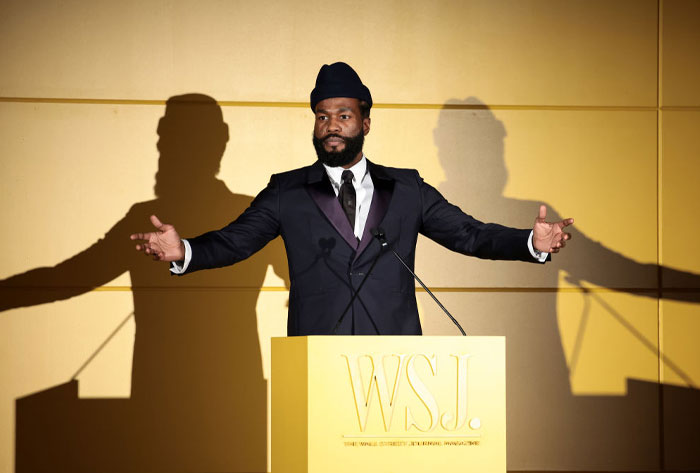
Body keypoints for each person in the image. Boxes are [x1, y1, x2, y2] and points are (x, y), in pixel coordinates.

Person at [130, 62, 574, 335]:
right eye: (322, 116)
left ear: (365, 122)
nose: (331, 125)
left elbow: (470, 235)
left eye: (344, 115)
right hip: (318, 355)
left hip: (395, 358)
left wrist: (529, 243)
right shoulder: (287, 191)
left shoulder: (407, 188)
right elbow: (235, 241)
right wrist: (185, 250)